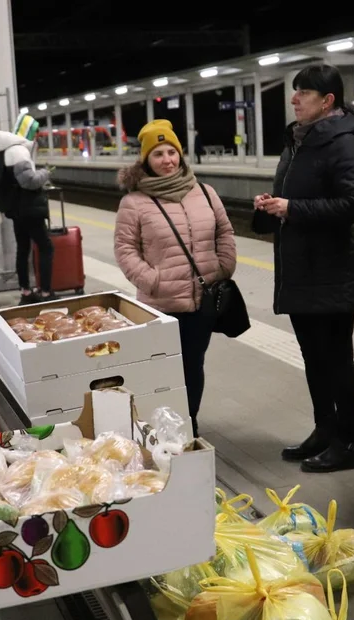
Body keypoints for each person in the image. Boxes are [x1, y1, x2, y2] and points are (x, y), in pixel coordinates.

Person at [252, 64, 354, 473]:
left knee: (337, 360)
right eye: (295, 91)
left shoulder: (344, 143)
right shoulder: (297, 141)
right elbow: (294, 200)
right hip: (301, 270)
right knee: (314, 358)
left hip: (331, 272)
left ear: (327, 101)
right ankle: (325, 429)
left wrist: (293, 208)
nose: (294, 98)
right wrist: (273, 205)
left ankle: (349, 443)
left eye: (303, 92)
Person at [114, 119, 237, 438]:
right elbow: (125, 249)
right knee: (162, 369)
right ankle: (161, 425)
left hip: (201, 301)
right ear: (146, 161)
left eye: (171, 152)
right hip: (160, 304)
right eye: (158, 154)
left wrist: (224, 267)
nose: (167, 159)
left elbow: (224, 230)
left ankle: (189, 421)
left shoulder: (205, 193)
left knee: (193, 365)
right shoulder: (134, 202)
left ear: (180, 155)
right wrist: (150, 280)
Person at [0, 113, 55, 304]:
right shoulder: (18, 151)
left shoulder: (6, 151)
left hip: (17, 210)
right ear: (28, 131)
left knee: (23, 248)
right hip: (29, 210)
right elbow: (29, 181)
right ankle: (45, 292)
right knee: (45, 247)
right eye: (35, 132)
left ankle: (26, 292)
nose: (36, 137)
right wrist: (45, 173)